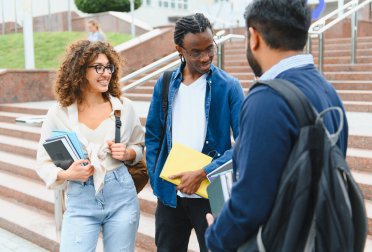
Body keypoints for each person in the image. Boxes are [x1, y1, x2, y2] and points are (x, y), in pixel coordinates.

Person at [205, 0, 349, 251]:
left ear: (254, 37)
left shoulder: (266, 100)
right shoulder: (328, 91)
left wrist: (215, 236)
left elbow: (249, 204)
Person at [145, 13, 245, 252]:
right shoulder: (166, 83)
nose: (206, 57)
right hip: (171, 196)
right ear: (180, 50)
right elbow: (153, 135)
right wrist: (158, 179)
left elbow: (245, 142)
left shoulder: (229, 86)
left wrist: (203, 173)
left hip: (211, 194)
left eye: (210, 48)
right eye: (196, 52)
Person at [36, 40, 144, 252]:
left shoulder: (124, 107)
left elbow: (139, 147)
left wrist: (129, 152)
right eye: (98, 68)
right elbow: (43, 162)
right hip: (80, 199)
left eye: (109, 67)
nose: (106, 73)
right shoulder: (59, 113)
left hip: (121, 195)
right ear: (79, 71)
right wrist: (68, 174)